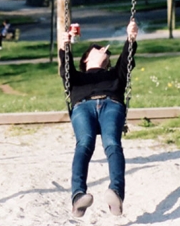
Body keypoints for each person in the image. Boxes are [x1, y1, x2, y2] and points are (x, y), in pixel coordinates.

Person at [59, 20, 138, 218]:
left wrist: (130, 38)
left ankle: (116, 194)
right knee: (84, 143)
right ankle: (78, 197)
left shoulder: (115, 75)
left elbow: (127, 60)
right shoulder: (77, 78)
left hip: (112, 104)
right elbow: (65, 70)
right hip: (82, 107)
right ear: (85, 59)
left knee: (112, 143)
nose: (104, 48)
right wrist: (64, 46)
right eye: (97, 48)